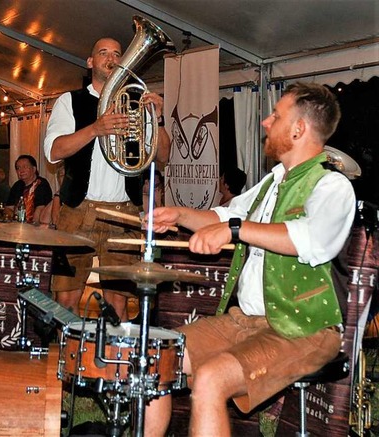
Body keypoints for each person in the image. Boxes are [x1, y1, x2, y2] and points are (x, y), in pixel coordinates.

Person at [144, 82, 355, 436]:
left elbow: (311, 239)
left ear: (299, 128)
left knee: (210, 380)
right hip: (245, 320)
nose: (265, 123)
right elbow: (223, 216)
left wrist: (236, 229)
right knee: (156, 357)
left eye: (276, 116)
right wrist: (178, 215)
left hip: (303, 329)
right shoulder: (272, 182)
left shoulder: (332, 186)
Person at [43, 37, 171, 319]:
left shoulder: (136, 102)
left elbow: (163, 156)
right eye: (103, 53)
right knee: (66, 300)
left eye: (117, 53)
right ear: (90, 62)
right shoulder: (70, 101)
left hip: (124, 215)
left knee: (119, 305)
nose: (111, 58)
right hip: (78, 210)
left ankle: (113, 362)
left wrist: (158, 119)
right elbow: (54, 151)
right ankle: (69, 360)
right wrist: (95, 129)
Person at [4, 155, 53, 224]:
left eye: (25, 167)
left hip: (36, 226)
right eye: (18, 168)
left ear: (34, 169)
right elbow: (8, 208)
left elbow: (40, 209)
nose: (21, 170)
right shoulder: (17, 185)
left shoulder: (41, 184)